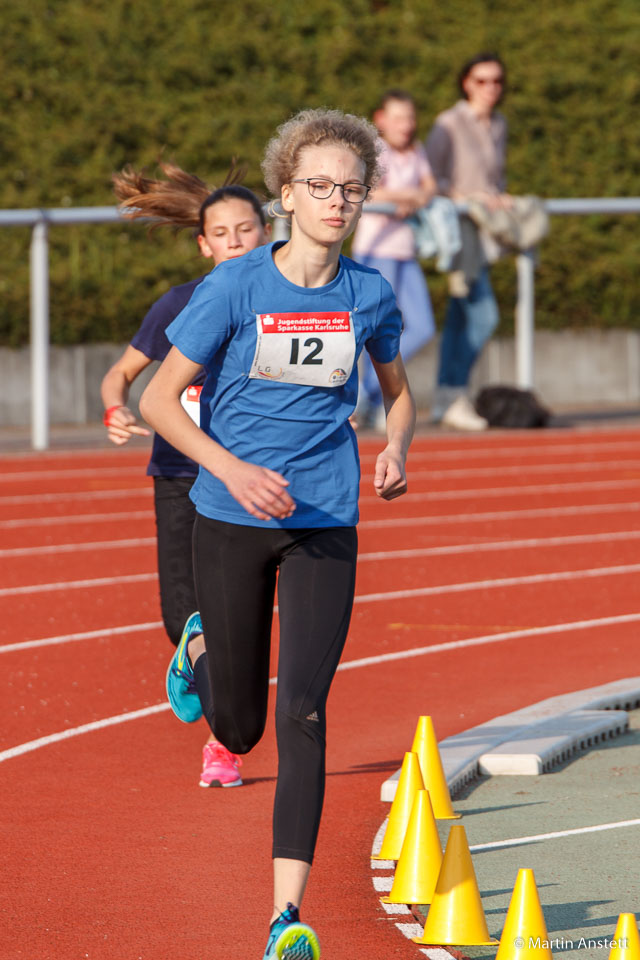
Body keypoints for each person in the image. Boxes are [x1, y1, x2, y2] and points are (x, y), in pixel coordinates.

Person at [139, 108, 415, 960]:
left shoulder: (369, 293)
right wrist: (231, 470)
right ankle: (197, 650)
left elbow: (398, 392)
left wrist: (396, 446)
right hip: (231, 517)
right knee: (239, 728)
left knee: (302, 712)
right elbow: (158, 400)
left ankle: (285, 919)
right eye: (319, 186)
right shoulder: (235, 287)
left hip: (326, 518)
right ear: (286, 195)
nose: (337, 201)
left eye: (351, 189)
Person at [101, 162, 271, 788]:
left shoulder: (281, 304)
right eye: (221, 233)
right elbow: (120, 374)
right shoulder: (178, 303)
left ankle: (222, 744)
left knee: (238, 617)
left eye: (245, 230)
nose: (235, 242)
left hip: (248, 477)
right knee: (183, 616)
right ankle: (199, 666)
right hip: (179, 474)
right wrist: (115, 408)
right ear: (203, 245)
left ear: (266, 232)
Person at [425, 52, 510, 431]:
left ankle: (447, 398)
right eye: (482, 80)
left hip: (484, 232)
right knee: (483, 315)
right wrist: (462, 196)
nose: (490, 88)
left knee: (460, 318)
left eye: (497, 81)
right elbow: (429, 176)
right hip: (457, 232)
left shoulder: (499, 124)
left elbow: (494, 179)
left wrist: (497, 197)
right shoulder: (449, 122)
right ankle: (454, 392)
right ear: (466, 83)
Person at [351, 89, 436, 429]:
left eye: (410, 117)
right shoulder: (375, 149)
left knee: (422, 327)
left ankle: (368, 392)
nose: (406, 124)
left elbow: (430, 188)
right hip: (376, 250)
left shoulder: (416, 150)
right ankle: (365, 400)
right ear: (382, 119)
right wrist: (408, 196)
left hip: (405, 250)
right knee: (371, 328)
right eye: (398, 117)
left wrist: (410, 198)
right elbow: (367, 190)